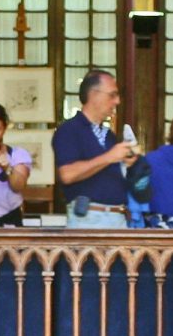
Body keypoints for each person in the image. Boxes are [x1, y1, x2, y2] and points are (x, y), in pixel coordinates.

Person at [50, 68, 132, 228]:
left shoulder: (109, 135)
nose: (117, 101)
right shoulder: (69, 130)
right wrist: (109, 157)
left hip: (118, 217)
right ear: (93, 94)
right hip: (89, 219)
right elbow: (67, 174)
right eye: (112, 95)